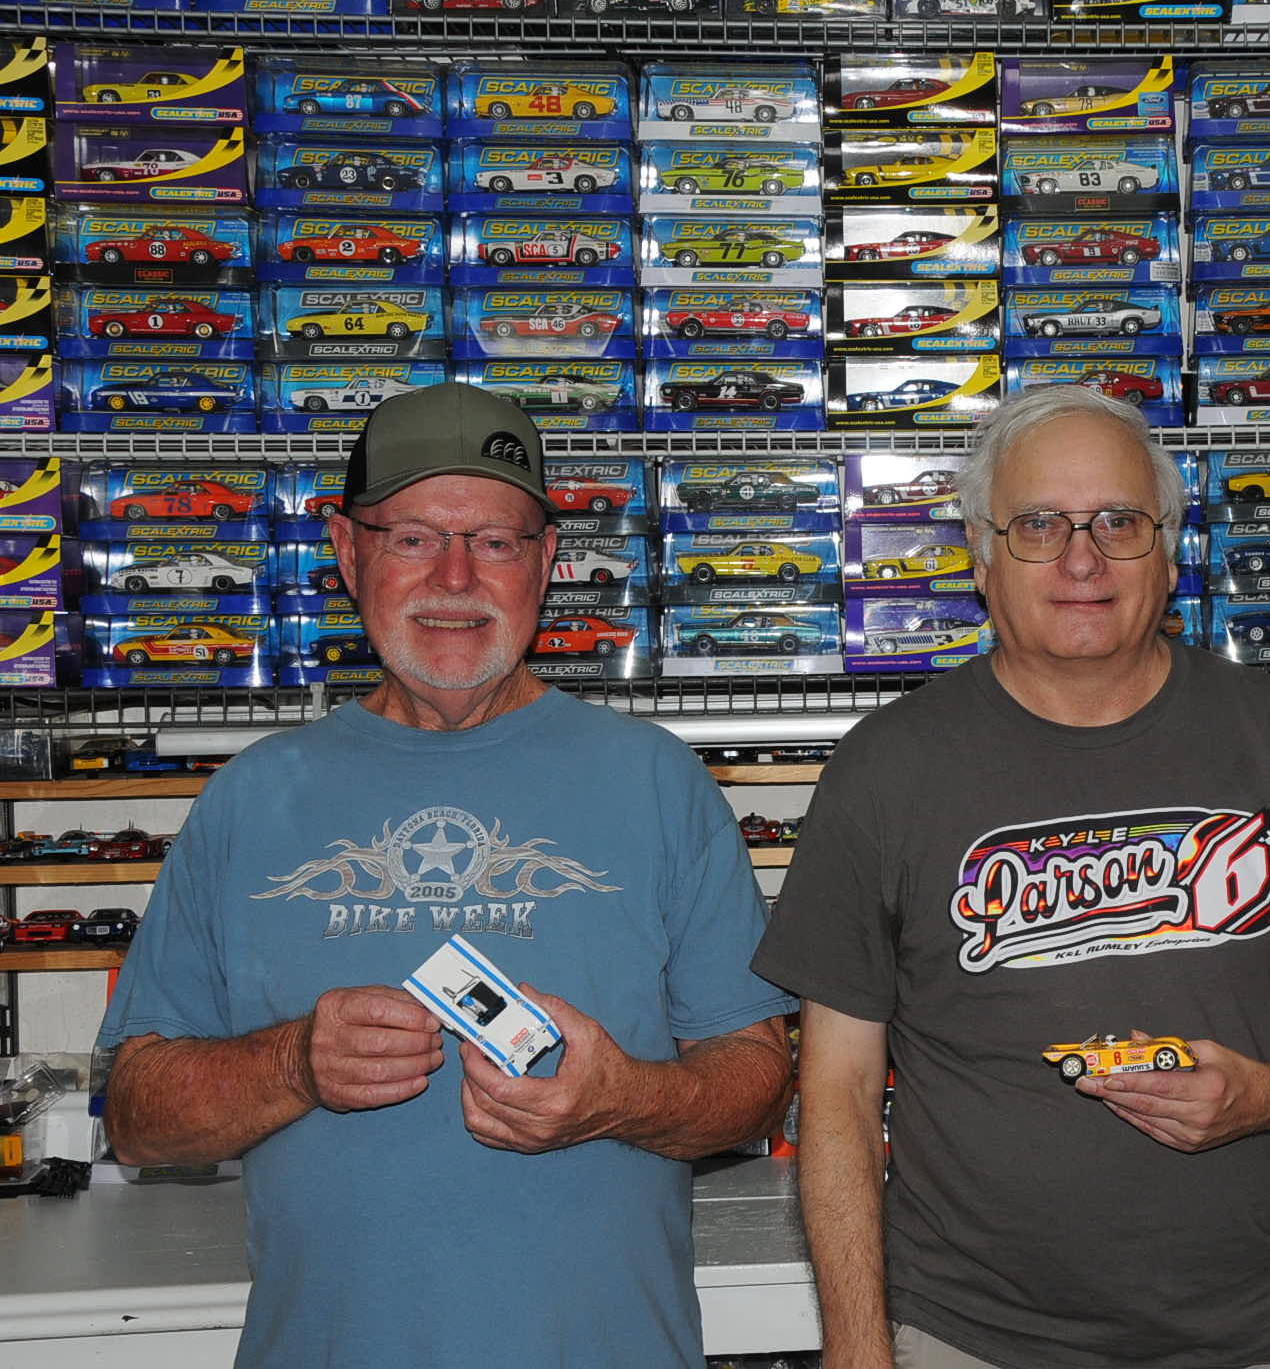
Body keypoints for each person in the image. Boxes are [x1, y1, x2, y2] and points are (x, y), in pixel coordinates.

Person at [97, 382, 796, 1368]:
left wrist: (622, 1097)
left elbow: (759, 1084)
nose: (456, 577)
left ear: (545, 562)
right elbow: (135, 1116)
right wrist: (293, 1064)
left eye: (496, 541)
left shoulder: (657, 781)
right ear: (349, 552)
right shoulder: (250, 799)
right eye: (414, 537)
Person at [752, 385, 1270, 1369]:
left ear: (1169, 550)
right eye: (1038, 524)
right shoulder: (884, 769)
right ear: (980, 555)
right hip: (969, 1337)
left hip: (1261, 1331)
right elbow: (839, 1093)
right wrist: (856, 1344)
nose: (1081, 558)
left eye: (1118, 520)